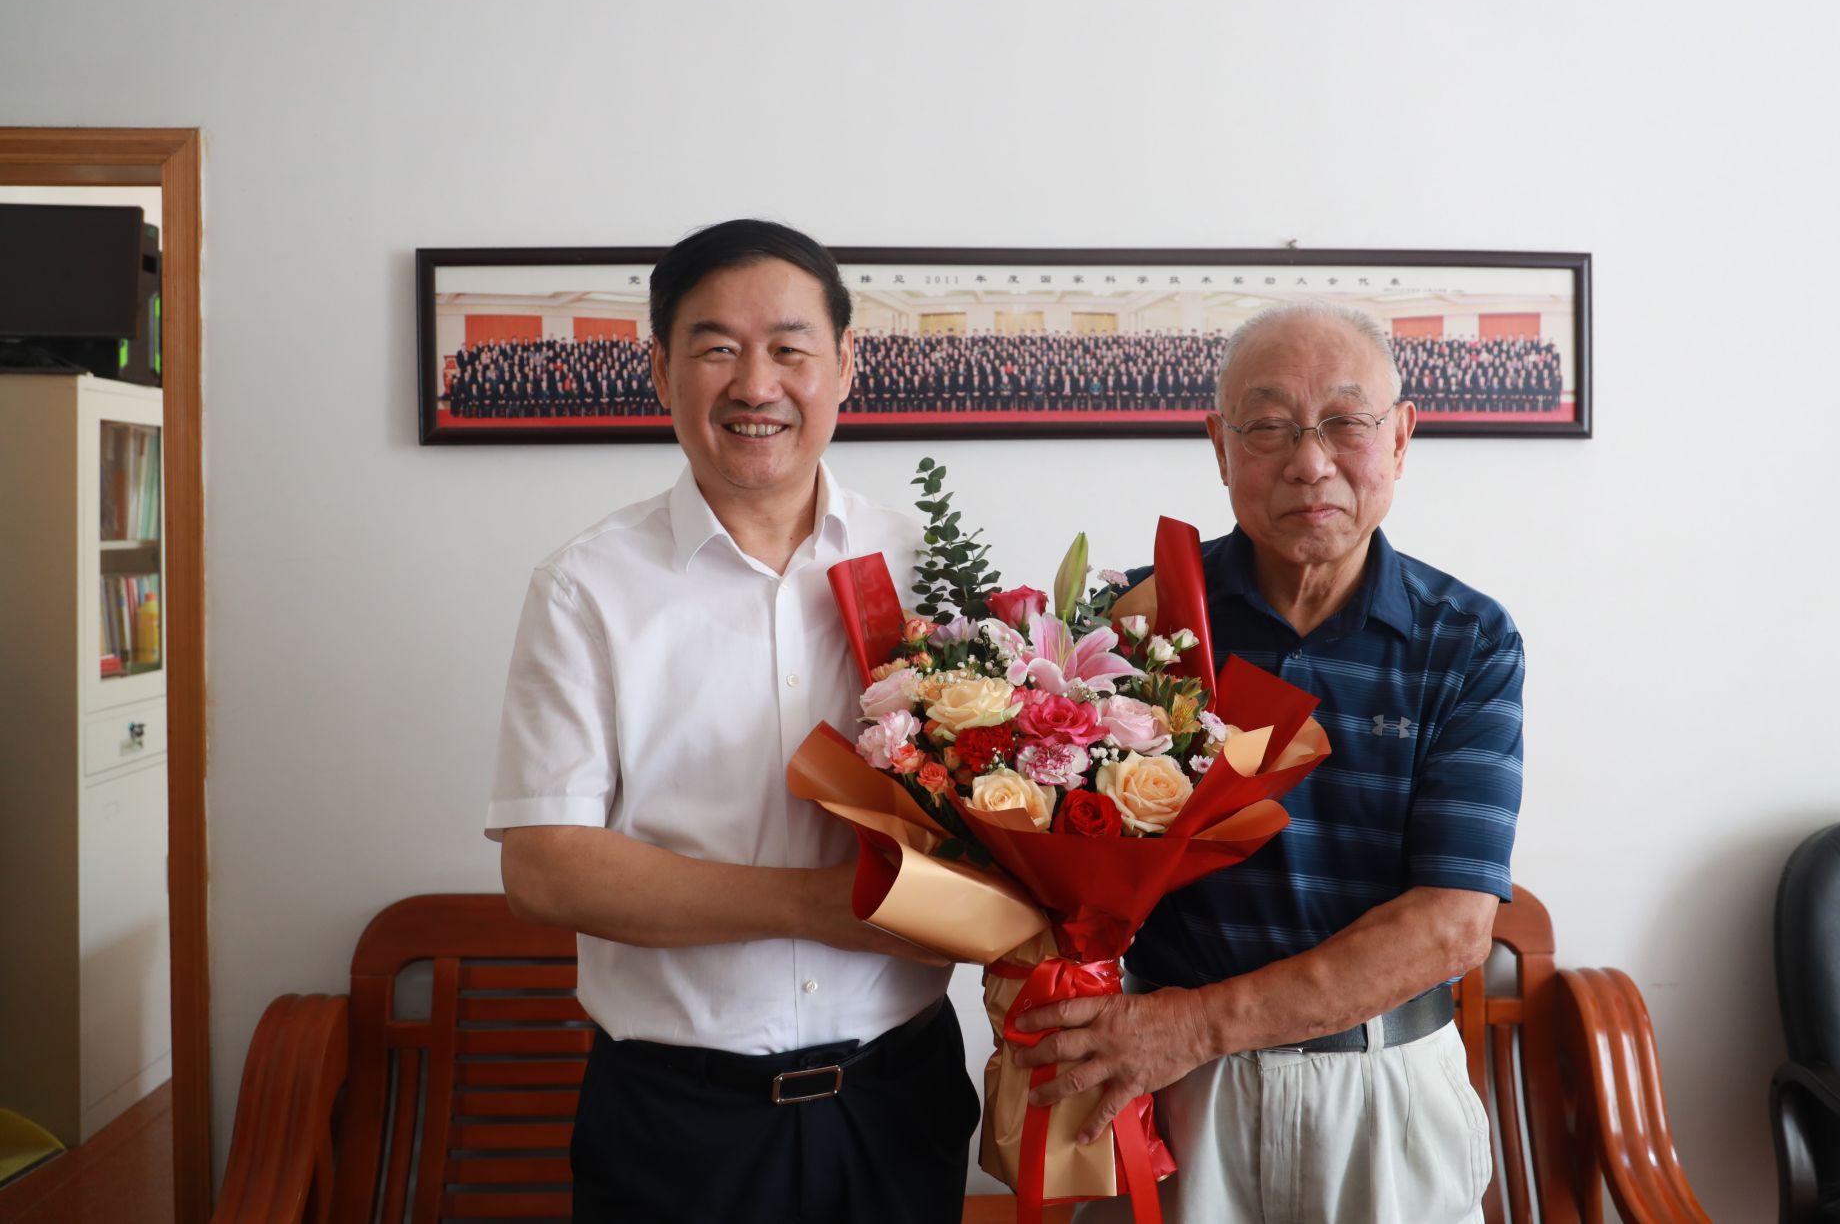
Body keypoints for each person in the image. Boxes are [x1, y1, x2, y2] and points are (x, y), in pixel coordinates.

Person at [485, 219, 979, 1224]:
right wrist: (817, 905)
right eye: (716, 349)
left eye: (790, 349)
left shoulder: (927, 570)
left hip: (898, 1105)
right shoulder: (587, 587)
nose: (756, 385)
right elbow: (545, 866)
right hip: (677, 1126)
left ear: (844, 365)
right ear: (659, 371)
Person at [1018, 303, 1524, 1224]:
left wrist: (1196, 1024)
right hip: (1171, 1091)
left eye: (1345, 422)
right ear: (1220, 446)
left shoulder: (1467, 640)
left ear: (1401, 438)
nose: (1309, 461)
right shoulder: (1138, 620)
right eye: (1269, 427)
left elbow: (1452, 927)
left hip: (1379, 1091)